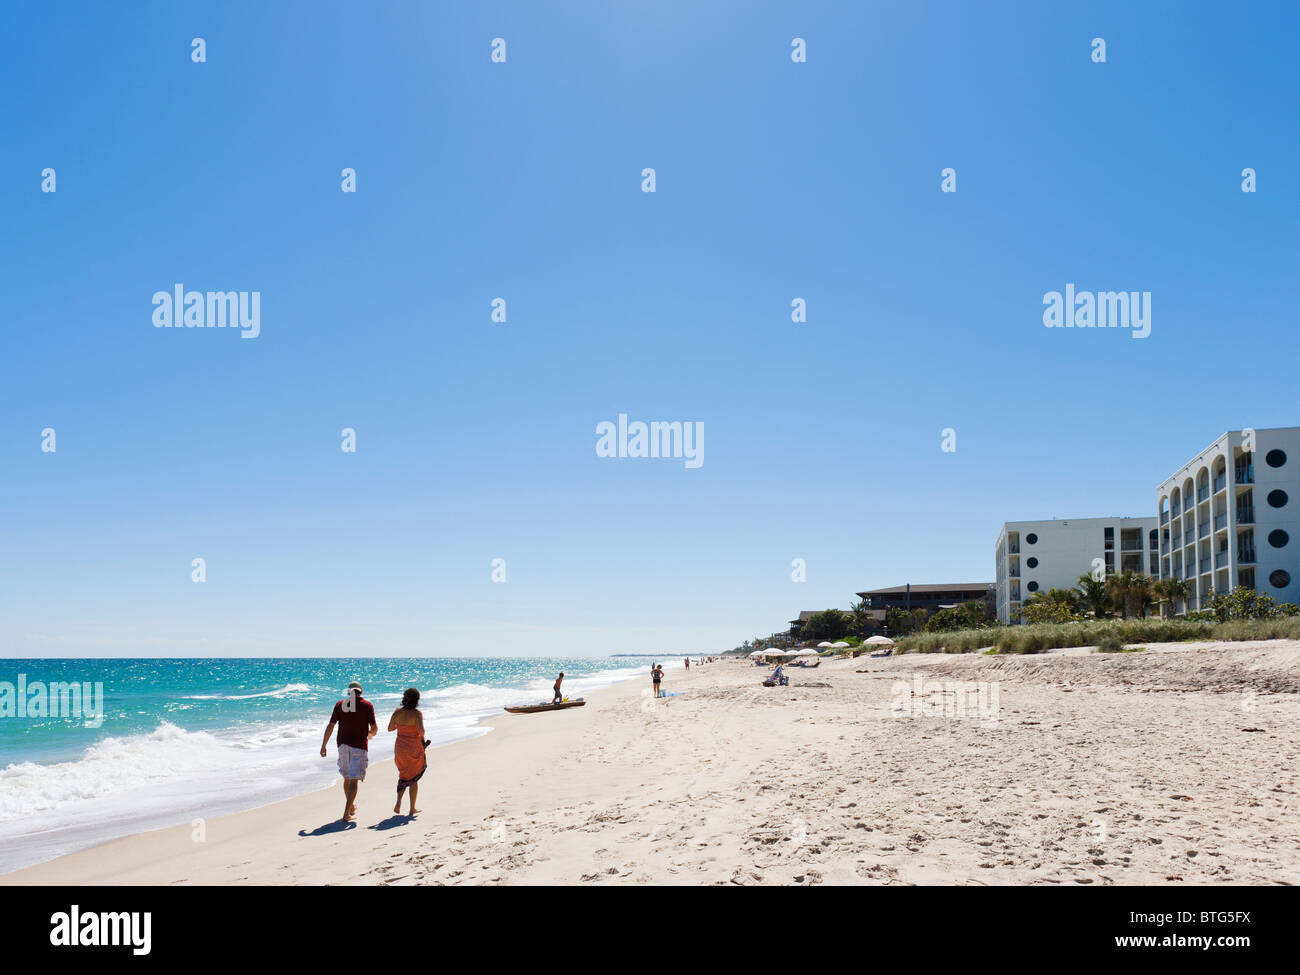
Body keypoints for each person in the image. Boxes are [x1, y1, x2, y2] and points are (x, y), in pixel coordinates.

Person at [320, 681, 378, 822]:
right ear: (361, 691)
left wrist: (323, 745)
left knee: (347, 777)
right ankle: (346, 813)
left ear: (348, 692)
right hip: (358, 745)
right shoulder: (367, 705)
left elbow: (331, 725)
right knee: (353, 779)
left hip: (342, 745)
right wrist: (370, 734)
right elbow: (374, 728)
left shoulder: (340, 705)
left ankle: (351, 807)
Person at [388, 688, 427, 816]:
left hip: (400, 748)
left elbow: (390, 728)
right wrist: (423, 741)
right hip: (414, 747)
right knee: (414, 778)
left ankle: (398, 802)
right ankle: (412, 808)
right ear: (416, 700)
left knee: (403, 774)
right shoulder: (417, 714)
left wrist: (401, 726)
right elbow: (421, 731)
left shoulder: (397, 712)